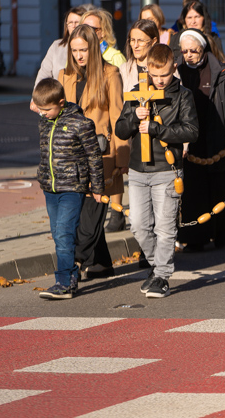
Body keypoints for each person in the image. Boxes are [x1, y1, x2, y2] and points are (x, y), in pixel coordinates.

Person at [116, 44, 199, 298]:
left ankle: (162, 276)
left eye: (164, 74)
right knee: (139, 225)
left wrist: (157, 129)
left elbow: (191, 131)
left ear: (174, 68)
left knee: (165, 228)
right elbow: (120, 130)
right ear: (147, 70)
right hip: (139, 170)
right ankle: (157, 267)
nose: (160, 80)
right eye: (155, 74)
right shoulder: (136, 93)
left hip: (167, 168)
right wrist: (133, 118)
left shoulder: (183, 96)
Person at [59, 24, 128, 279]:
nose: (78, 55)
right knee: (81, 216)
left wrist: (122, 157)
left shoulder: (111, 74)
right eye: (74, 50)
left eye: (84, 50)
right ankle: (101, 263)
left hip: (102, 158)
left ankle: (72, 265)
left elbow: (118, 116)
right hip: (72, 159)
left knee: (89, 218)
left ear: (93, 48)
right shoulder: (64, 75)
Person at [34, 78, 104, 299]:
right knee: (57, 235)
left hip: (72, 188)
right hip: (50, 187)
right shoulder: (44, 122)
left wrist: (97, 187)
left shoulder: (81, 123)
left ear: (61, 102)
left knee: (64, 234)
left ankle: (64, 283)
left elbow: (94, 156)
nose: (43, 113)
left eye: (47, 109)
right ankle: (72, 274)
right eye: (40, 109)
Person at [177, 29, 225, 250]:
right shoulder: (176, 71)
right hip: (190, 140)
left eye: (193, 51)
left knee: (219, 188)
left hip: (216, 137)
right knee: (193, 192)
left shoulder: (222, 72)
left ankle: (221, 230)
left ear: (203, 49)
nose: (189, 55)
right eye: (185, 51)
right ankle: (195, 238)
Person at [112, 19, 162, 233]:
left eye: (141, 40)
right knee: (139, 201)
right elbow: (119, 108)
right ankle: (145, 247)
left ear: (154, 41)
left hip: (160, 141)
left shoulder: (164, 67)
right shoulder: (124, 69)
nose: (135, 45)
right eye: (132, 40)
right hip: (134, 140)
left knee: (159, 201)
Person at [34, 5, 87, 88]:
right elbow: (43, 76)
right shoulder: (57, 46)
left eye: (77, 22)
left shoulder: (92, 45)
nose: (73, 26)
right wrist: (36, 99)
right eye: (70, 23)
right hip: (59, 97)